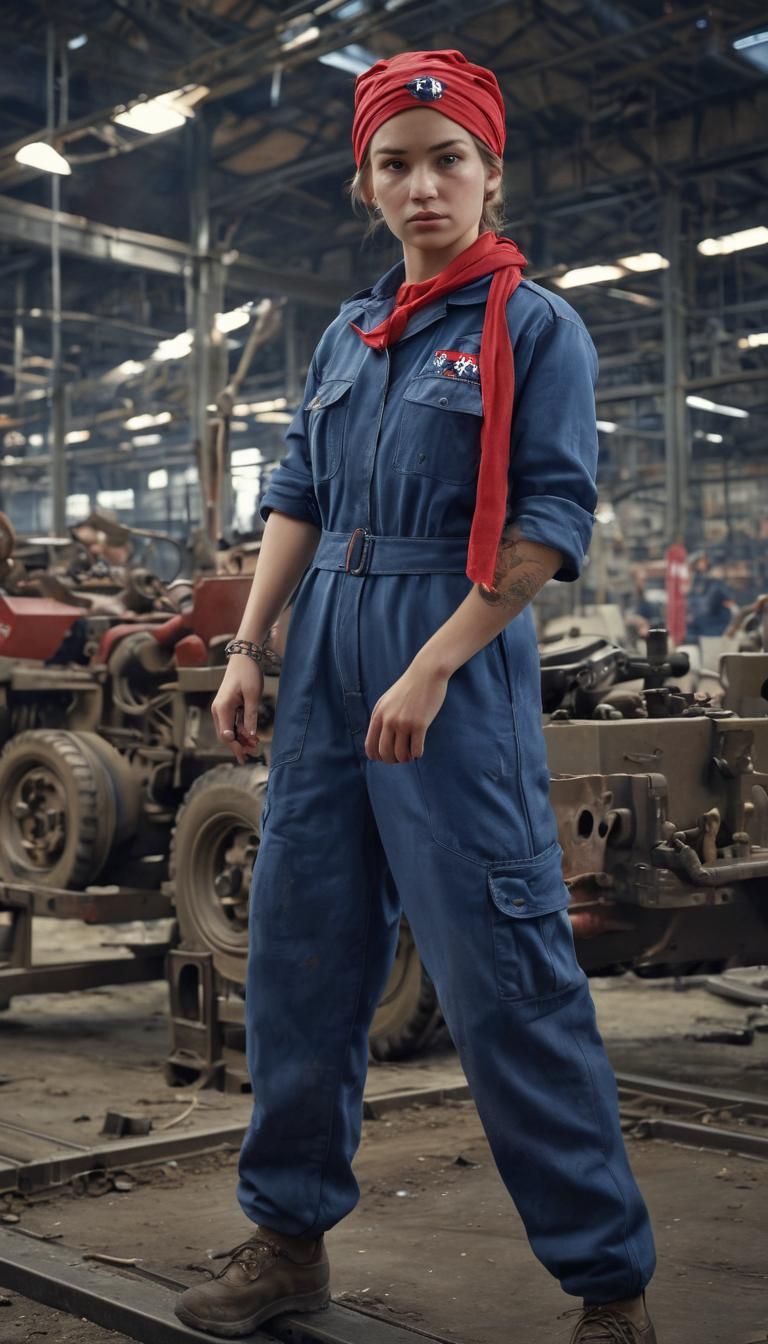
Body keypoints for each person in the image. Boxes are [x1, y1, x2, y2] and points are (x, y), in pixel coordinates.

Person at [176, 49, 657, 1344]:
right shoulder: (350, 333)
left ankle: (609, 1287)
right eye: (398, 162)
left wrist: (438, 662)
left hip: (446, 651)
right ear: (367, 181)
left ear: (491, 174)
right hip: (329, 645)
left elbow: (551, 521)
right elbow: (297, 494)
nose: (424, 183)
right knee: (300, 957)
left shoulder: (533, 327)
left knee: (503, 969)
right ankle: (288, 1241)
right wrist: (248, 648)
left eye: (449, 159)